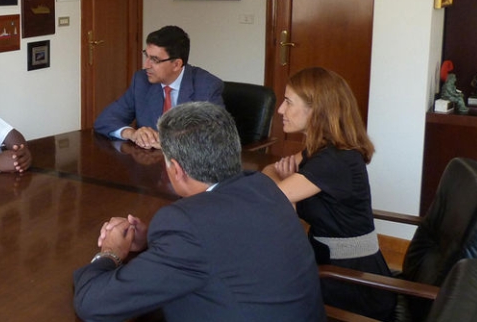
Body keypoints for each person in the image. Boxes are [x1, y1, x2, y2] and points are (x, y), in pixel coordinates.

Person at [74, 102, 325, 322]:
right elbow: (222, 247)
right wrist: (153, 241)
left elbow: (92, 305)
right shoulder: (263, 187)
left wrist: (110, 253)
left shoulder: (186, 223)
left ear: (177, 170)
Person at [262, 67, 396, 320]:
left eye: (289, 102)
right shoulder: (319, 149)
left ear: (317, 110)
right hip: (328, 267)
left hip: (352, 285)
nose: (280, 110)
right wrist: (275, 177)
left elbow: (272, 197)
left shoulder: (334, 160)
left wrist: (275, 178)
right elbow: (273, 173)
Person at [94, 25, 223, 149]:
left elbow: (216, 138)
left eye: (154, 60)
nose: (146, 65)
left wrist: (169, 143)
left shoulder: (206, 86)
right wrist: (132, 134)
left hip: (189, 168)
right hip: (149, 164)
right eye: (146, 56)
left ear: (176, 64)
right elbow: (104, 120)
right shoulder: (141, 81)